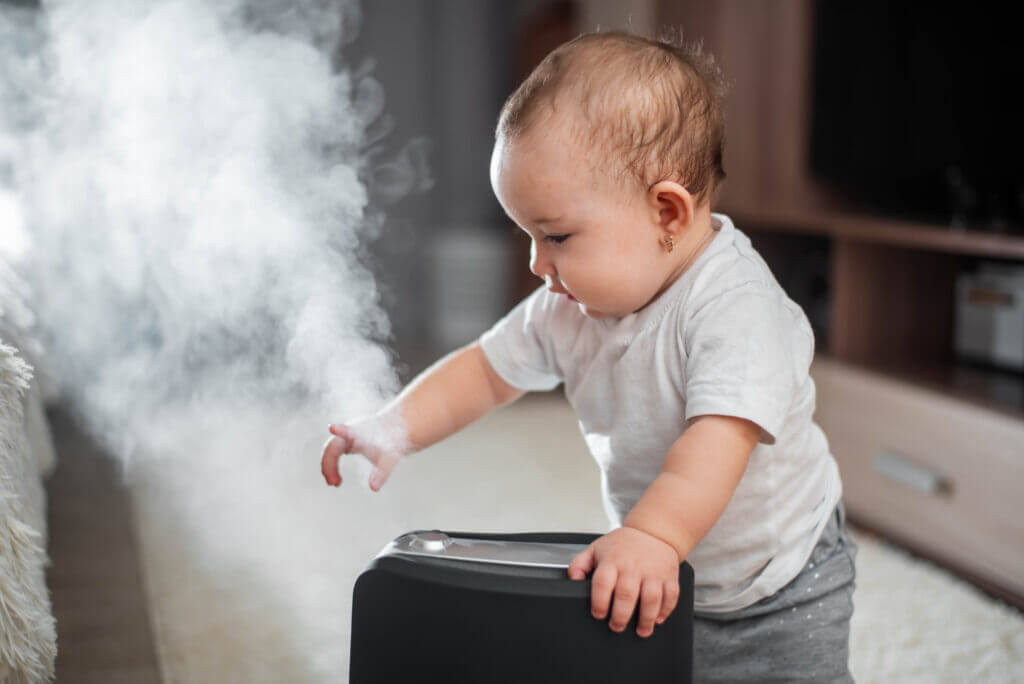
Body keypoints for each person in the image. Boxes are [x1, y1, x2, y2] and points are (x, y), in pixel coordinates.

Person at [321, 30, 857, 682]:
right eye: (527, 236)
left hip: (779, 582)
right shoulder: (568, 304)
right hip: (662, 570)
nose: (536, 264)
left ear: (666, 212)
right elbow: (484, 373)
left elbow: (717, 442)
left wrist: (656, 536)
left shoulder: (736, 309)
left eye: (556, 236)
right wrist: (394, 425)